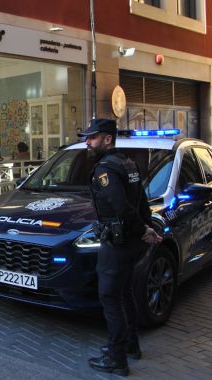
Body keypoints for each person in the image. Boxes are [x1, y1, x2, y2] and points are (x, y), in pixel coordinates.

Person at [79, 118, 163, 376]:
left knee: (110, 298)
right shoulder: (128, 163)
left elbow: (121, 206)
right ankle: (130, 346)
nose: (87, 142)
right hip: (130, 242)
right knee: (125, 293)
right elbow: (142, 203)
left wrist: (144, 229)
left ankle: (116, 359)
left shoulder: (105, 168)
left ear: (107, 139)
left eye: (92, 138)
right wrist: (146, 229)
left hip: (117, 243)